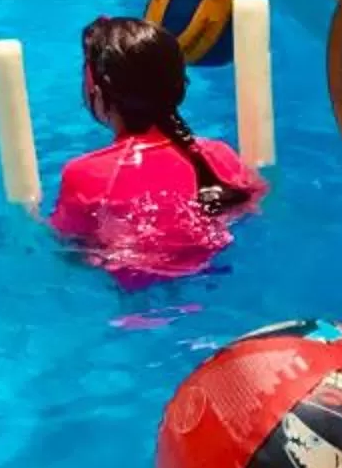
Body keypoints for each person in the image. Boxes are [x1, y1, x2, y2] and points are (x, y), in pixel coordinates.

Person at [50, 17, 261, 285]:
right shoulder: (220, 156)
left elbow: (69, 249)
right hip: (215, 275)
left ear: (98, 94)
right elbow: (250, 209)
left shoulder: (85, 174)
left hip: (135, 295)